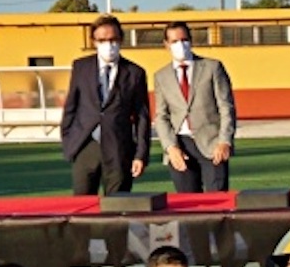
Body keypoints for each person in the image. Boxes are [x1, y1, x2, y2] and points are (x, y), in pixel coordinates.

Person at [59, 14, 151, 196]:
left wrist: (140, 155)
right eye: (102, 40)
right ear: (94, 41)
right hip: (86, 145)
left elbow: (142, 117)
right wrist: (69, 141)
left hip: (119, 149)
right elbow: (71, 106)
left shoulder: (135, 73)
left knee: (117, 204)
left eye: (113, 39)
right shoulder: (81, 67)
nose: (109, 45)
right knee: (82, 203)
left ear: (121, 39)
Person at [152, 20, 237, 193]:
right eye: (175, 41)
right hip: (180, 146)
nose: (180, 45)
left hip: (212, 144)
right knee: (188, 202)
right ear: (166, 45)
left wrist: (224, 141)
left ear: (191, 40)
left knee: (217, 201)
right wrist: (170, 147)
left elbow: (226, 107)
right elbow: (161, 116)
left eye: (184, 40)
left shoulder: (212, 67)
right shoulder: (161, 76)